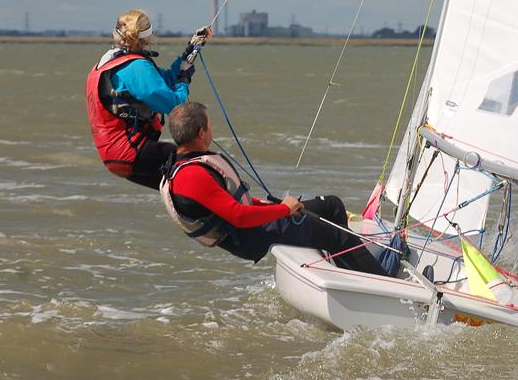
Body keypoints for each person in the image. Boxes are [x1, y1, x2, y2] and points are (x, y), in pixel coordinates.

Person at [159, 102, 390, 276]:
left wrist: (274, 205)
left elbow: (231, 202)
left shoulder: (188, 162)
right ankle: (387, 287)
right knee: (338, 237)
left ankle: (351, 275)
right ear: (201, 133)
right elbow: (238, 216)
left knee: (331, 205)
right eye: (210, 125)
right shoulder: (192, 176)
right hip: (251, 236)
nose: (213, 129)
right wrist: (283, 210)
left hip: (253, 226)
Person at [86, 9, 212, 190]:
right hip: (131, 153)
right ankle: (235, 211)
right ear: (147, 38)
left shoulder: (110, 62)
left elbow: (165, 80)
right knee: (203, 163)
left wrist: (189, 51)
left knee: (182, 186)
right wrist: (184, 79)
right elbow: (176, 106)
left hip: (114, 156)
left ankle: (202, 212)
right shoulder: (135, 67)